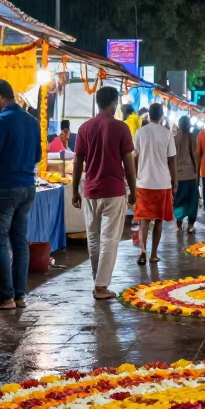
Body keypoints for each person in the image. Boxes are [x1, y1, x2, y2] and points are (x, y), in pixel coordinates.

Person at [0, 80, 41, 311]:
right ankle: (20, 295)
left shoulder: (1, 120)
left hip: (4, 187)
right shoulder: (32, 121)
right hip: (27, 187)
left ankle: (6, 297)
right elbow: (36, 155)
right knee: (19, 240)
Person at [71, 86, 137, 294]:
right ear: (115, 103)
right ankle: (101, 286)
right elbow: (128, 162)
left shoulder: (85, 128)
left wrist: (74, 190)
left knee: (93, 237)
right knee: (110, 238)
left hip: (90, 189)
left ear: (97, 103)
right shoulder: (121, 127)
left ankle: (97, 281)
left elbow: (77, 160)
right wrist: (133, 191)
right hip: (114, 190)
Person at [132, 102, 177, 264]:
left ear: (148, 115)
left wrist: (137, 174)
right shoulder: (167, 134)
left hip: (144, 182)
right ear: (162, 115)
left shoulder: (140, 132)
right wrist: (175, 182)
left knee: (144, 218)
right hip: (162, 183)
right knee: (158, 220)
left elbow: (134, 156)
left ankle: (143, 250)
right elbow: (172, 161)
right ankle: (153, 254)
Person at [172, 115, 199, 232]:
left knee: (179, 199)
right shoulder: (192, 137)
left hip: (177, 174)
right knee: (192, 200)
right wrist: (197, 171)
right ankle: (190, 225)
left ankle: (179, 222)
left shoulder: (174, 138)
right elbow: (195, 156)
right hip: (190, 174)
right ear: (188, 125)